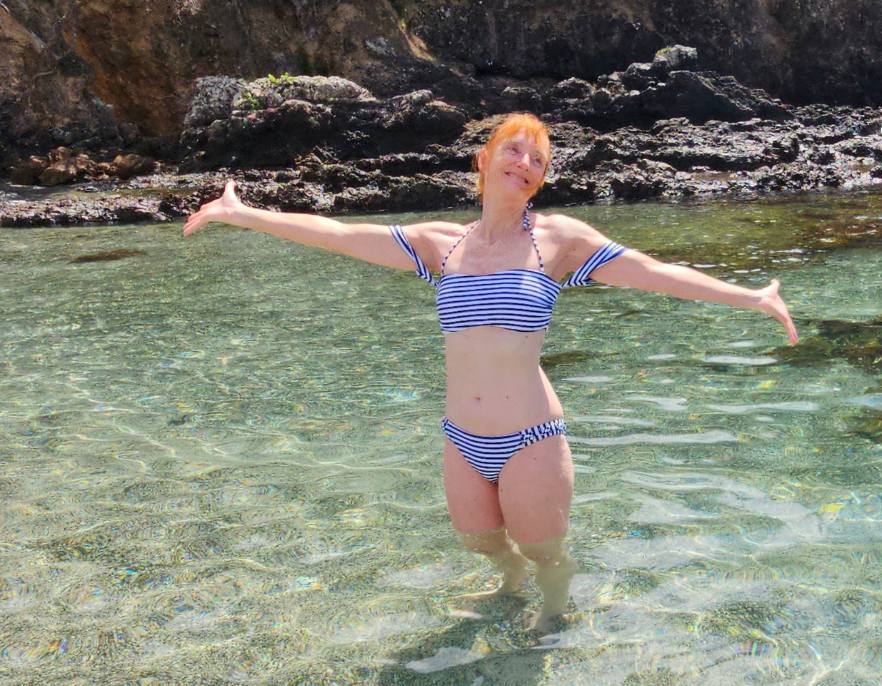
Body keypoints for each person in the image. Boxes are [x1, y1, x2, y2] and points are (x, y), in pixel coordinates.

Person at [183, 112, 798, 632]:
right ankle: (509, 583)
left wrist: (750, 297)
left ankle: (553, 611)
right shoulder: (441, 244)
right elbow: (339, 234)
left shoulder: (558, 241)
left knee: (545, 550)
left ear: (541, 179)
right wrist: (244, 214)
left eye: (538, 160)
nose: (525, 163)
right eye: (513, 150)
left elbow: (654, 273)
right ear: (483, 159)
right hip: (461, 436)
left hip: (531, 436)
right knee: (479, 539)